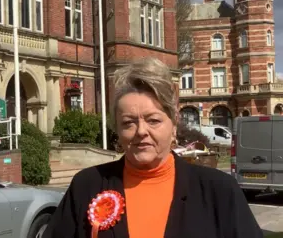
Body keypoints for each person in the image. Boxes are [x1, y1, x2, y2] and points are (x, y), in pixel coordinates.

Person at [42, 57, 262, 238]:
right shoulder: (86, 186)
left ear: (173, 123)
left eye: (153, 120)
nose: (141, 131)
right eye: (129, 122)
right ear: (117, 129)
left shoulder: (219, 190)